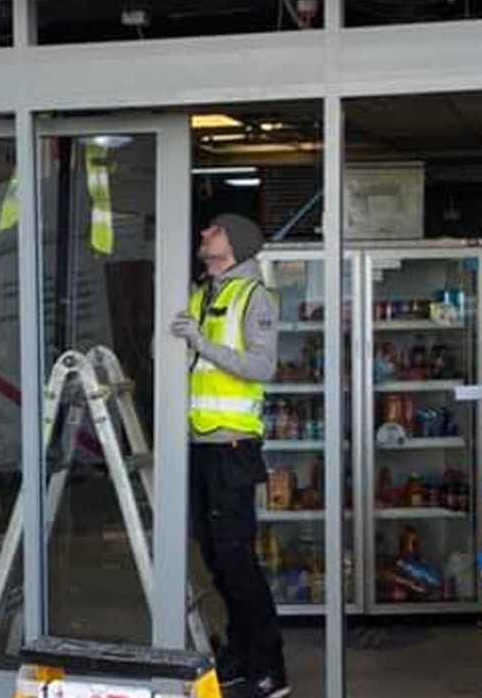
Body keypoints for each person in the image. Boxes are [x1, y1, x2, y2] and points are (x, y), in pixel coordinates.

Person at [170, 214, 289, 698]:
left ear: (235, 245)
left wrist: (201, 342)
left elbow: (262, 365)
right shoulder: (204, 294)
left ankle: (270, 670)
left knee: (237, 562)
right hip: (200, 445)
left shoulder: (253, 297)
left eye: (214, 230)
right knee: (217, 558)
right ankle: (240, 657)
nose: (203, 234)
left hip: (233, 447)